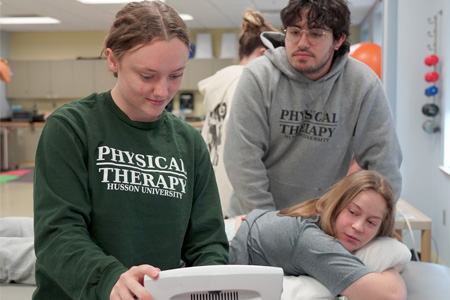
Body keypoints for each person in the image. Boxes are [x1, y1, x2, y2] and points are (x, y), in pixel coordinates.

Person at [32, 2, 228, 300]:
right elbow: (57, 234)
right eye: (147, 76)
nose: (162, 91)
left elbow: (208, 243)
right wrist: (109, 279)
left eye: (175, 75)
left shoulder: (189, 143)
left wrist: (207, 287)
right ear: (113, 60)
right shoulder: (71, 128)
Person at [223, 0, 403, 217]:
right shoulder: (258, 76)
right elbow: (243, 162)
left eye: (316, 34)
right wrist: (269, 228)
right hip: (255, 217)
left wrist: (369, 220)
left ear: (338, 40)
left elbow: (385, 165)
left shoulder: (363, 84)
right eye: (295, 31)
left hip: (323, 221)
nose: (302, 42)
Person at [228, 170, 407, 300]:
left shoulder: (316, 216)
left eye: (371, 223)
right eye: (352, 212)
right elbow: (391, 296)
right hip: (217, 252)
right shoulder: (312, 241)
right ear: (337, 204)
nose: (358, 226)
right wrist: (391, 267)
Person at [198, 9, 277, 214]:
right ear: (262, 54)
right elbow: (244, 154)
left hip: (210, 189)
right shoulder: (247, 84)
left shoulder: (221, 81)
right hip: (235, 197)